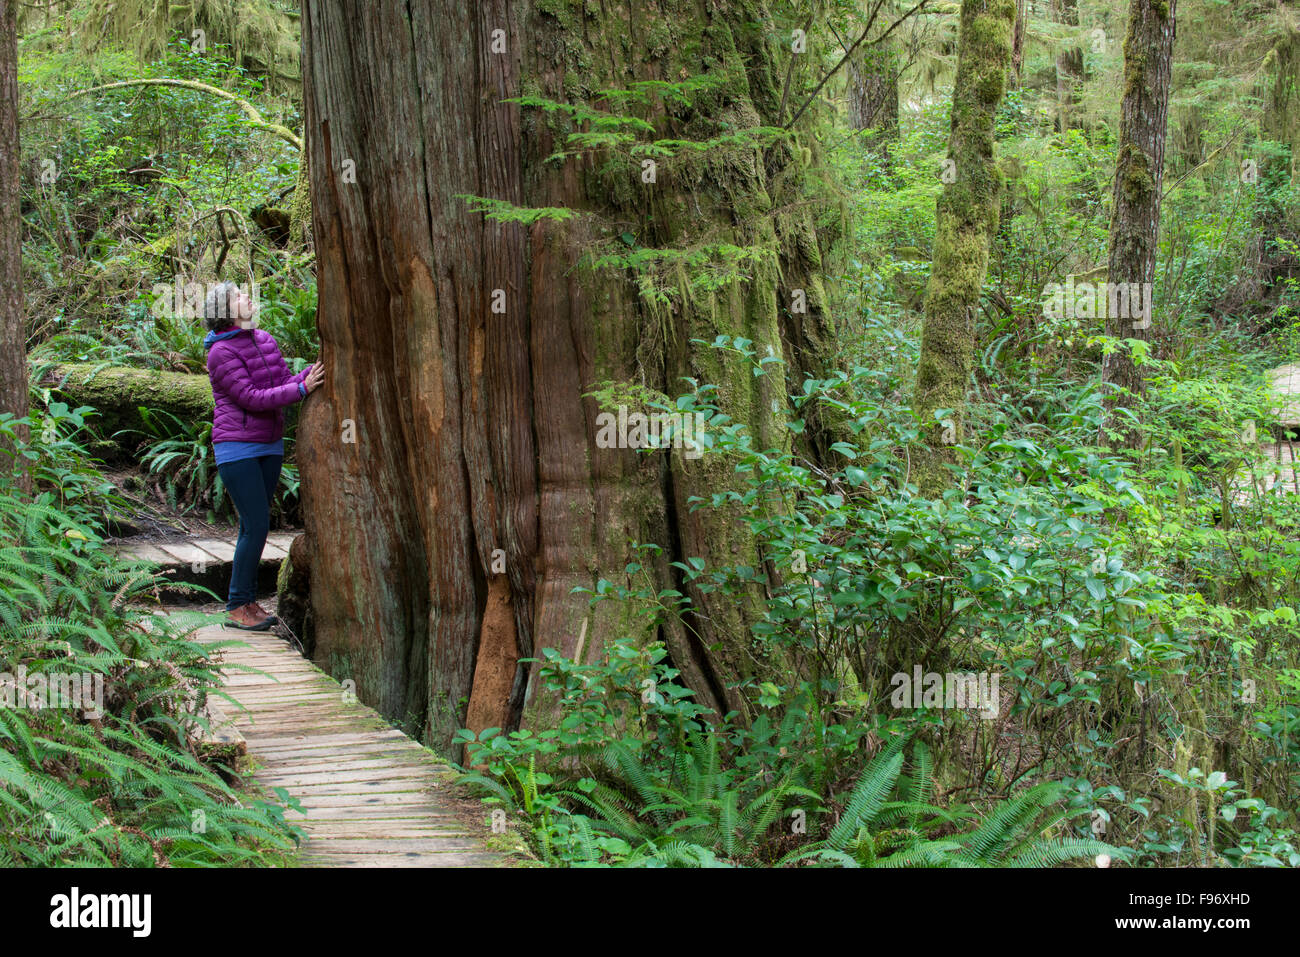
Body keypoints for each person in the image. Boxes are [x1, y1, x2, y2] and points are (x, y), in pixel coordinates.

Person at [202, 281, 324, 630]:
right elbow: (253, 397)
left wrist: (312, 373)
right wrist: (301, 388)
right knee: (254, 525)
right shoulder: (219, 354)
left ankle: (249, 601)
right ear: (226, 312)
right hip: (237, 448)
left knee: (256, 527)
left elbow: (282, 381)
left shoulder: (263, 338)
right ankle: (236, 606)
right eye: (238, 296)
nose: (247, 297)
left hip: (269, 445)